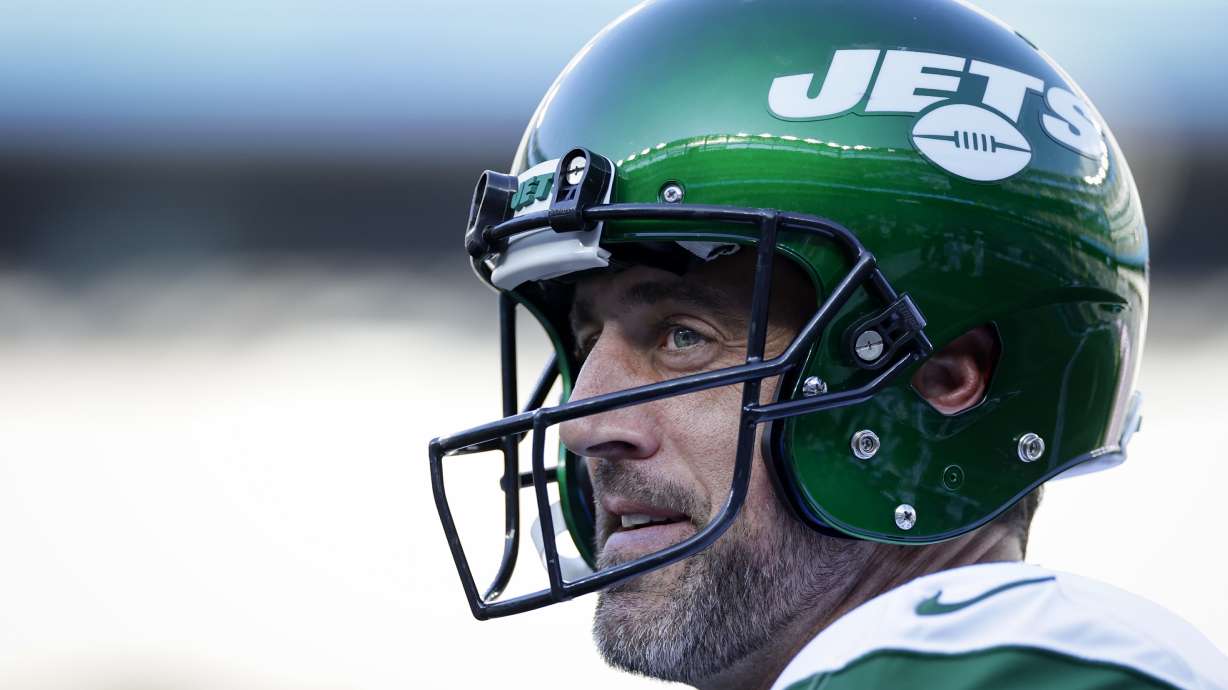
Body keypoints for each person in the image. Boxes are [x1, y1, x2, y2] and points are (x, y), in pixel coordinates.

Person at [428, 0, 1228, 688]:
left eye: (682, 337)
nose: (583, 421)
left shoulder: (1004, 664)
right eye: (585, 338)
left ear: (946, 376)